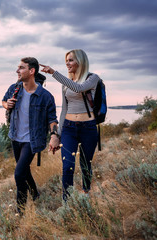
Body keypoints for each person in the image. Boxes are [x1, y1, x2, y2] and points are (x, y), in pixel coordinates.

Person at [40, 49, 101, 201]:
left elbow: (79, 88)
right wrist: (57, 135)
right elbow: (64, 109)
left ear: (80, 61)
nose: (67, 63)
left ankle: (86, 194)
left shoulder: (92, 78)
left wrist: (54, 73)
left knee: (86, 165)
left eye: (71, 60)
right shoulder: (65, 84)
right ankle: (67, 202)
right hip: (69, 128)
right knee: (68, 166)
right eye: (66, 60)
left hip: (88, 128)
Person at [2, 57, 59, 214]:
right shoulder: (14, 88)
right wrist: (8, 104)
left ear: (32, 71)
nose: (17, 71)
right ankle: (35, 194)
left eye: (21, 68)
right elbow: (3, 101)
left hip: (31, 140)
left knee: (19, 173)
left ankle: (21, 211)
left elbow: (52, 119)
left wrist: (54, 135)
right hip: (15, 137)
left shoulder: (45, 96)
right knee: (25, 170)